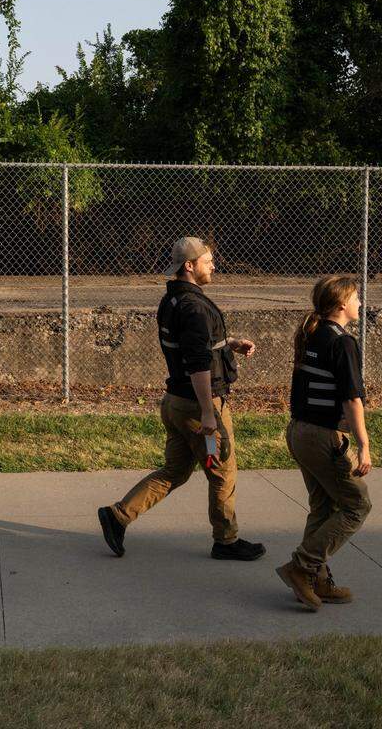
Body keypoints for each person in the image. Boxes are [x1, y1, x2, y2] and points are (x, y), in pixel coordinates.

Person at [97, 237, 266, 561]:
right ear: (189, 266)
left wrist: (228, 342)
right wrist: (208, 414)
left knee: (175, 471)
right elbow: (198, 364)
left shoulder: (173, 301)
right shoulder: (195, 308)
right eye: (208, 261)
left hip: (175, 403)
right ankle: (226, 541)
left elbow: (195, 345)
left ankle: (118, 515)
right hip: (198, 408)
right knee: (221, 470)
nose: (213, 266)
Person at [276, 275, 372, 611]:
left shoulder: (312, 331)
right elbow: (352, 400)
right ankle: (301, 567)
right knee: (357, 505)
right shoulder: (343, 342)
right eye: (357, 297)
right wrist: (363, 444)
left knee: (323, 507)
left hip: (299, 432)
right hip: (320, 438)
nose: (361, 303)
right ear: (342, 303)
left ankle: (315, 578)